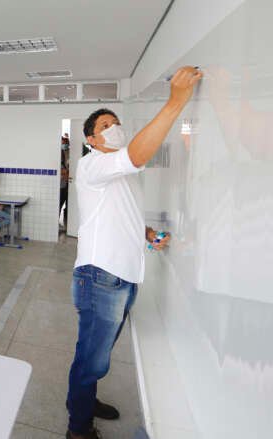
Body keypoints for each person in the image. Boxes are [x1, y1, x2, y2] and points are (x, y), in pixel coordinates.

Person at [65, 66, 201, 439]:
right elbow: (138, 154)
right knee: (90, 360)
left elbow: (121, 216)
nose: (114, 127)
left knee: (97, 354)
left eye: (116, 122)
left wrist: (148, 232)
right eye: (105, 125)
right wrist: (176, 102)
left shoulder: (121, 175)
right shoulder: (92, 164)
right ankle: (77, 428)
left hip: (122, 276)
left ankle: (84, 401)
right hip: (101, 276)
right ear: (92, 139)